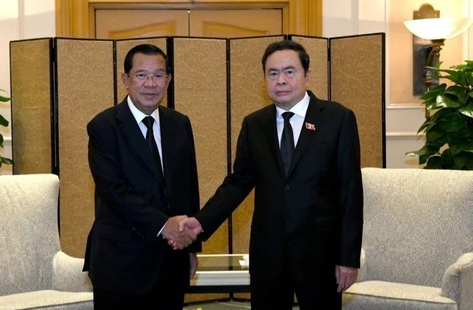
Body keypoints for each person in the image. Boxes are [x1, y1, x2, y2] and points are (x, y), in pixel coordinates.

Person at [176, 39, 363, 309]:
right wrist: (201, 222)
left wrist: (348, 258)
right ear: (264, 79)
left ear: (307, 76)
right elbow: (238, 182)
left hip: (320, 253)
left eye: (290, 71)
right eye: (272, 73)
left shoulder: (337, 119)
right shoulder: (255, 124)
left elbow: (350, 193)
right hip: (269, 252)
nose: (281, 80)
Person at [83, 43, 201, 310]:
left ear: (168, 80)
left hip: (171, 259)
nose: (151, 83)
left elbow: (187, 187)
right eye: (141, 75)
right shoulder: (104, 126)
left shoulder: (179, 123)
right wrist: (164, 225)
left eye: (159, 75)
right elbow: (113, 191)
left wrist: (192, 247)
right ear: (126, 79)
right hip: (120, 263)